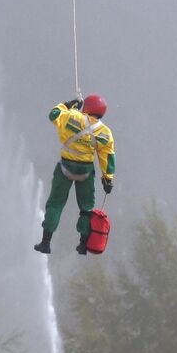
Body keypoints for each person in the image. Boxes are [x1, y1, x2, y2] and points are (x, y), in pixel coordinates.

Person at [34, 94, 115, 255]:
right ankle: (83, 245)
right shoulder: (104, 132)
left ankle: (45, 242)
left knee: (56, 204)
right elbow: (108, 155)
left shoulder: (72, 116)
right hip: (85, 172)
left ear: (87, 107)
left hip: (65, 168)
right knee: (86, 209)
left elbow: (54, 115)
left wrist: (66, 104)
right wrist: (108, 178)